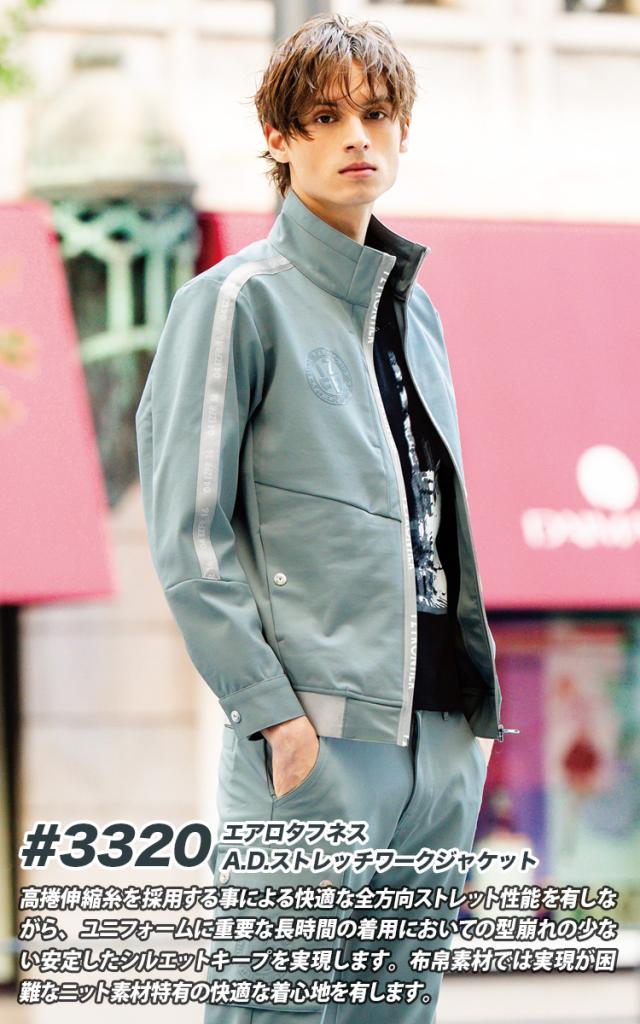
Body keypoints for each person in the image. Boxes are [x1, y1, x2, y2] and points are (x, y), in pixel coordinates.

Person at [135, 13, 518, 1023]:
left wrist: (463, 739)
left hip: (437, 739)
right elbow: (189, 533)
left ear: (402, 132)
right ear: (279, 137)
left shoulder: (417, 313)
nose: (356, 135)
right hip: (317, 741)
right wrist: (274, 715)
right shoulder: (235, 302)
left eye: (377, 114)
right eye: (324, 116)